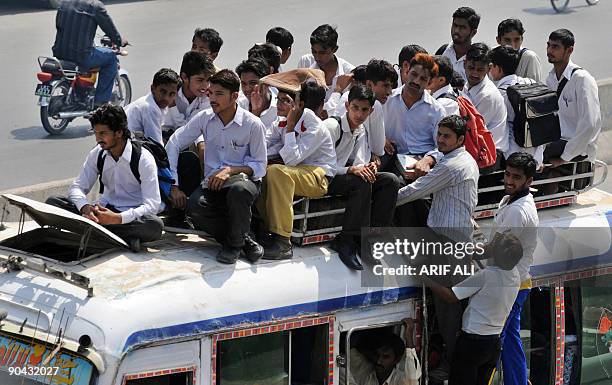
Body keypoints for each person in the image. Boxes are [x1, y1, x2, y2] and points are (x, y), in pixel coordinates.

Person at [396, 115, 479, 364]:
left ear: (460, 140)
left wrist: (381, 200)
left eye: (446, 136)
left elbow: (415, 191)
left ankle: (453, 364)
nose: (440, 140)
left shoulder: (452, 166)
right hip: (453, 238)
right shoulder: (461, 158)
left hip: (447, 244)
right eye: (439, 134)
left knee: (448, 314)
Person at [165, 70, 267, 264]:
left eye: (219, 94)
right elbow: (175, 142)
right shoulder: (204, 118)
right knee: (195, 206)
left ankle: (233, 247)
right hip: (212, 182)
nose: (212, 98)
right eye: (210, 93)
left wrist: (230, 170)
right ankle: (243, 240)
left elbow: (260, 166)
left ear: (234, 96)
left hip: (243, 181)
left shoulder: (253, 124)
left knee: (239, 190)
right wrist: (174, 184)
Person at [46, 104, 163, 251]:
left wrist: (117, 218)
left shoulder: (143, 159)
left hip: (129, 218)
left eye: (103, 133)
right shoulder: (97, 153)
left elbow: (153, 205)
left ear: (119, 132)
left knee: (154, 226)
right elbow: (77, 187)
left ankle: (98, 231)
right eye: (95, 133)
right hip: (101, 213)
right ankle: (117, 236)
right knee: (53, 203)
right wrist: (85, 208)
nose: (98, 138)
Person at [422, 233, 523, 385]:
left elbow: (451, 296)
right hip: (493, 344)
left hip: (472, 344)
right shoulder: (515, 275)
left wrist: (423, 278)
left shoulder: (486, 276)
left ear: (494, 253)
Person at [258, 76, 336, 260]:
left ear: (299, 104)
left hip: (319, 176)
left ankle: (283, 242)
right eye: (279, 99)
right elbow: (264, 146)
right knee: (261, 170)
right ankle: (263, 228)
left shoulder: (314, 125)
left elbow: (291, 160)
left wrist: (291, 126)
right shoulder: (280, 122)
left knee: (276, 172)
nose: (279, 104)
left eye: (286, 101)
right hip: (296, 171)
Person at [324, 85, 400, 270]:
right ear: (347, 105)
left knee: (390, 180)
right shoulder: (332, 127)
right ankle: (347, 240)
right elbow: (323, 167)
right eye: (355, 108)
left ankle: (372, 239)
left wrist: (369, 167)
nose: (359, 114)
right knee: (360, 182)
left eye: (364, 110)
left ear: (371, 111)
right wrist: (352, 170)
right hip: (323, 178)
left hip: (341, 174)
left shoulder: (360, 130)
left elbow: (360, 162)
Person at [494, 152, 539, 385]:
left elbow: (496, 249)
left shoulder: (517, 210)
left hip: (511, 285)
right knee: (509, 338)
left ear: (529, 181)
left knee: (494, 338)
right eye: (507, 174)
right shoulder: (510, 201)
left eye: (517, 177)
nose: (509, 181)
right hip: (515, 283)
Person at [52, 0, 128, 105]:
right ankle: (100, 102)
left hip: (59, 52)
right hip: (81, 55)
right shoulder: (95, 6)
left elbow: (59, 26)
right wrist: (120, 41)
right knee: (110, 57)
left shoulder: (65, 3)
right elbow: (109, 28)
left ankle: (81, 92)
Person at [544, 29, 601, 167]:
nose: (550, 50)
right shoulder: (550, 79)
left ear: (569, 50)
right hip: (557, 142)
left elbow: (590, 124)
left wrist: (565, 157)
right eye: (549, 45)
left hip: (574, 146)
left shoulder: (582, 79)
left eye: (555, 47)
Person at [382, 53, 446, 177]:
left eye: (423, 79)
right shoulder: (386, 100)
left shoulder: (436, 110)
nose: (416, 81)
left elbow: (443, 146)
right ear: (406, 71)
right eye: (414, 75)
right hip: (392, 159)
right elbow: (365, 126)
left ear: (429, 82)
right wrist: (380, 139)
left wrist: (428, 160)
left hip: (424, 162)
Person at [327, 59, 398, 158]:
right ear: (369, 84)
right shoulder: (375, 105)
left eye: (391, 86)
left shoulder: (347, 95)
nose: (389, 92)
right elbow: (378, 149)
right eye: (385, 85)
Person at [488, 45, 543, 167]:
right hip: (536, 154)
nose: (490, 70)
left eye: (492, 66)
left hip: (512, 157)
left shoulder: (499, 93)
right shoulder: (531, 83)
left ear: (499, 69)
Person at [462, 43, 507, 165]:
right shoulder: (468, 86)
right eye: (471, 68)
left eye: (480, 70)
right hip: (476, 146)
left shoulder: (488, 95)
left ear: (489, 68)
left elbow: (471, 130)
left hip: (491, 154)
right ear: (464, 64)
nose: (475, 74)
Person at [348, 319, 421, 385]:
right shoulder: (365, 374)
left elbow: (413, 380)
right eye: (377, 355)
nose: (379, 361)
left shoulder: (400, 381)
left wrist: (409, 337)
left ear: (396, 360)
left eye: (386, 357)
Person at [297, 24, 355, 101]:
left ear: (335, 49)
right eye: (314, 52)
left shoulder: (349, 73)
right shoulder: (306, 62)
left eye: (322, 53)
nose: (317, 57)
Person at [164, 51, 217, 131]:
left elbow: (190, 130)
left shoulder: (208, 97)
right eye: (200, 80)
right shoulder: (165, 92)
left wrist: (172, 106)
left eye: (208, 80)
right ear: (185, 77)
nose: (206, 86)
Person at [125, 68, 180, 145]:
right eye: (163, 92)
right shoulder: (150, 108)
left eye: (172, 94)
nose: (166, 98)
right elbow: (156, 144)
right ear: (153, 89)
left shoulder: (151, 102)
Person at [438, 7, 481, 82]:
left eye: (462, 27)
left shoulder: (478, 60)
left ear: (473, 33)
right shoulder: (442, 52)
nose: (456, 31)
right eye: (455, 25)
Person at [236, 57, 277, 129]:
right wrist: (255, 113)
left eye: (253, 83)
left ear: (266, 82)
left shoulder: (280, 107)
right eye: (243, 84)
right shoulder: (237, 104)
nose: (247, 89)